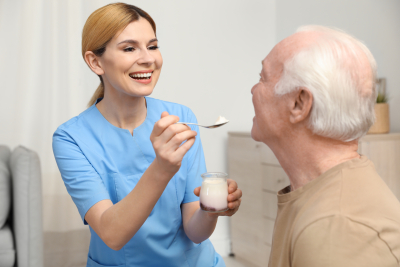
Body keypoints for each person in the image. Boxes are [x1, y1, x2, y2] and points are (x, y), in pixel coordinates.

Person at [52, 3, 242, 267]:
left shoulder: (180, 117)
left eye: (152, 46)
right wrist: (162, 167)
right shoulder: (71, 138)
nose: (149, 59)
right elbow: (112, 234)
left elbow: (195, 231)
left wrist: (211, 210)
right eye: (129, 48)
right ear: (95, 62)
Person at [251, 25, 400, 267]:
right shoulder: (320, 197)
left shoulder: (336, 228)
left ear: (299, 103)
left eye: (262, 78)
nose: (253, 89)